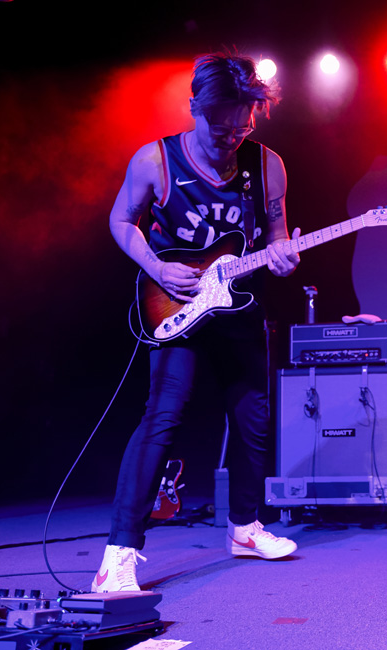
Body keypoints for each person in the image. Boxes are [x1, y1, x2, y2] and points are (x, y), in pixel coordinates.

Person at [93, 53, 301, 593]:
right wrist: (156, 266)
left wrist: (281, 254)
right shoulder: (155, 161)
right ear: (194, 109)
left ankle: (246, 528)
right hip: (176, 303)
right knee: (162, 417)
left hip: (239, 306)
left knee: (255, 418)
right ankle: (119, 552)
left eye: (244, 124)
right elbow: (121, 220)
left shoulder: (268, 165)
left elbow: (277, 232)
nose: (232, 136)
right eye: (221, 125)